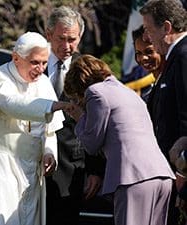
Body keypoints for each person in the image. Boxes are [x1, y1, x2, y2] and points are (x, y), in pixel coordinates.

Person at [0, 32, 71, 225]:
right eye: (35, 62)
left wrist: (49, 152)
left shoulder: (42, 82)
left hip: (31, 172)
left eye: (44, 63)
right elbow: (13, 104)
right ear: (16, 58)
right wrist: (52, 105)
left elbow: (49, 129)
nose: (41, 69)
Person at [64, 54, 175, 225]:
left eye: (78, 97)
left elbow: (91, 144)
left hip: (133, 177)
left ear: (81, 85)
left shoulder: (95, 92)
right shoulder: (128, 92)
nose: (80, 101)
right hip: (162, 175)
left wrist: (80, 118)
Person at [45, 6, 106, 225]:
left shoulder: (88, 71)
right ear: (48, 34)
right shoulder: (33, 63)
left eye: (73, 39)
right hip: (31, 165)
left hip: (72, 169)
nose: (67, 46)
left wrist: (95, 170)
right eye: (61, 39)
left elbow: (98, 122)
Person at [140, 1, 187, 224]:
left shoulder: (184, 55)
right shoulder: (174, 58)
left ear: (166, 28)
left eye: (149, 30)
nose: (147, 37)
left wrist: (184, 170)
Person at [129, 25, 165, 102]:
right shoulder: (153, 87)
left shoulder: (173, 81)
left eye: (149, 52)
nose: (143, 58)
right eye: (138, 53)